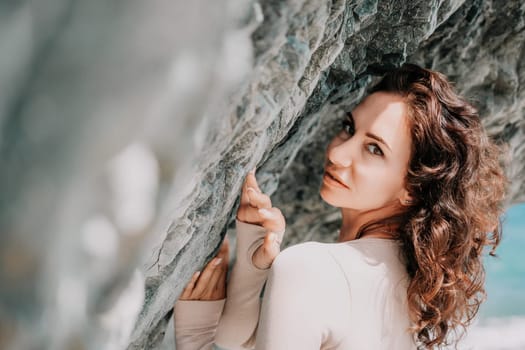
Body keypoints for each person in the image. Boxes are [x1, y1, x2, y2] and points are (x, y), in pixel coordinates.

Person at [173, 63, 507, 349]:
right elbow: (251, 340)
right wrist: (252, 265)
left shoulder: (313, 268)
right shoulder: (412, 294)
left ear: (414, 188)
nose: (337, 153)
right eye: (349, 128)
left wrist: (193, 338)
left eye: (374, 149)